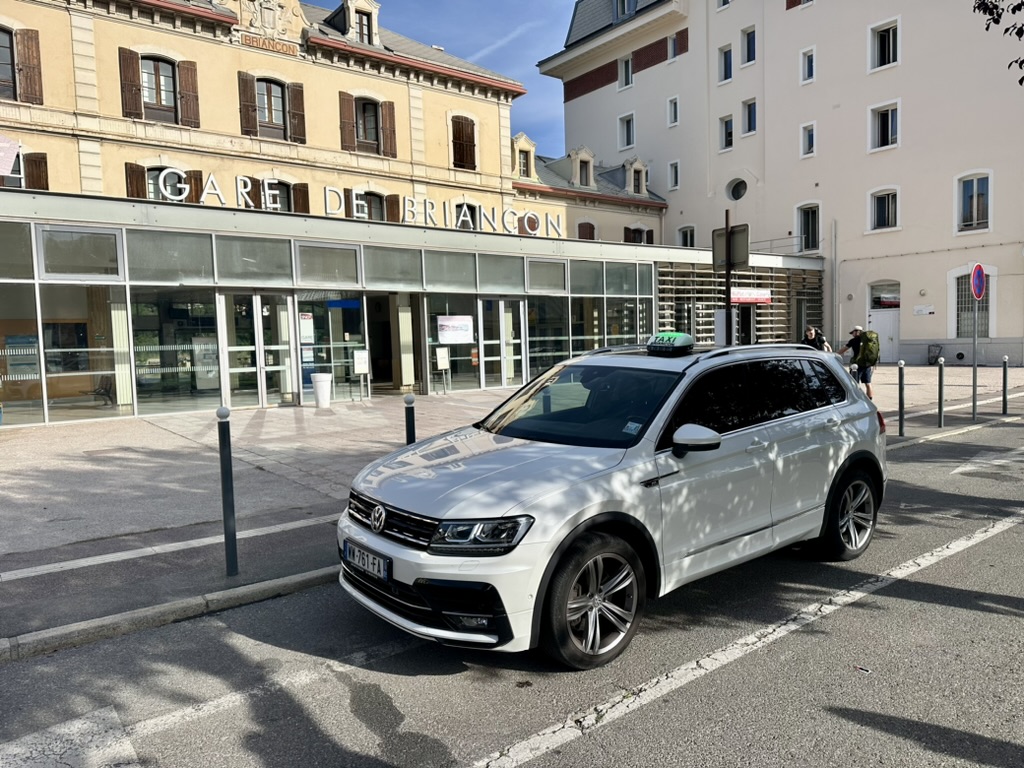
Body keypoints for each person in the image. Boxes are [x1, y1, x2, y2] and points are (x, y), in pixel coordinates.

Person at [838, 325, 874, 399]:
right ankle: (870, 400)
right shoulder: (868, 340)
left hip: (857, 365)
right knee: (868, 383)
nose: (852, 334)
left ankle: (856, 399)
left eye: (853, 333)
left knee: (854, 383)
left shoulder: (853, 341)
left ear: (857, 332)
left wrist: (834, 354)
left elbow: (843, 349)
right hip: (867, 364)